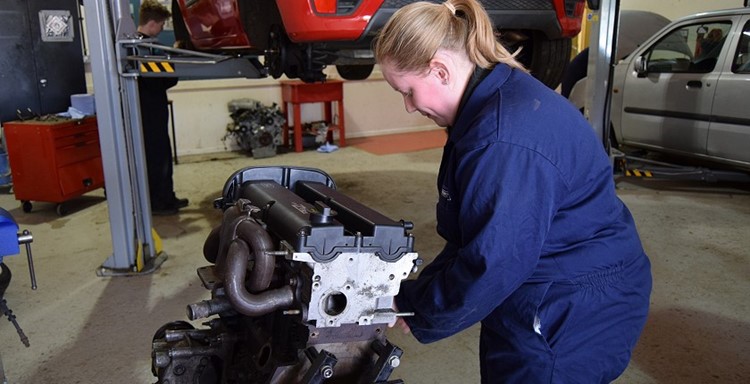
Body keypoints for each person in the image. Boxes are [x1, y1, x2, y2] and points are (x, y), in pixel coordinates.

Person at [374, 0, 652, 382]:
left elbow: (493, 262)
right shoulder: (489, 100)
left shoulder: (502, 139)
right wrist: (413, 296)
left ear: (439, 70)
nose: (408, 107)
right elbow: (472, 236)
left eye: (407, 91)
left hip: (569, 307)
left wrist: (419, 308)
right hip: (543, 286)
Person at [137, 0, 187, 215]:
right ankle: (162, 202)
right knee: (160, 158)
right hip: (152, 112)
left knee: (155, 157)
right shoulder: (147, 48)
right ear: (151, 24)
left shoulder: (134, 44)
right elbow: (165, 79)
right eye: (160, 25)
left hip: (145, 111)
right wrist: (175, 55)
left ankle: (164, 198)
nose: (160, 29)